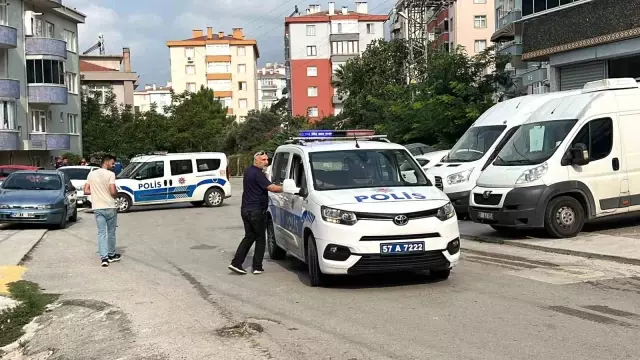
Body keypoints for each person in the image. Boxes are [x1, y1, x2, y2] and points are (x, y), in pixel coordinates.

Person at [229, 151, 283, 275]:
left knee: (249, 236)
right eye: (263, 160)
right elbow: (272, 188)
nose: (266, 162)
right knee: (260, 239)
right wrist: (288, 188)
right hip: (256, 211)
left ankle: (236, 263)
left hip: (246, 210)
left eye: (267, 160)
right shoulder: (258, 174)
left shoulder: (248, 171)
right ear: (256, 160)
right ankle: (257, 266)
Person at [83, 154, 121, 267]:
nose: (113, 165)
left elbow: (86, 190)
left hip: (97, 207)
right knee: (111, 232)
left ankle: (104, 258)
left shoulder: (91, 174)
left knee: (101, 233)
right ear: (106, 162)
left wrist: (96, 192)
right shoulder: (110, 174)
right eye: (112, 163)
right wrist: (116, 193)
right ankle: (111, 254)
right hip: (109, 206)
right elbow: (113, 191)